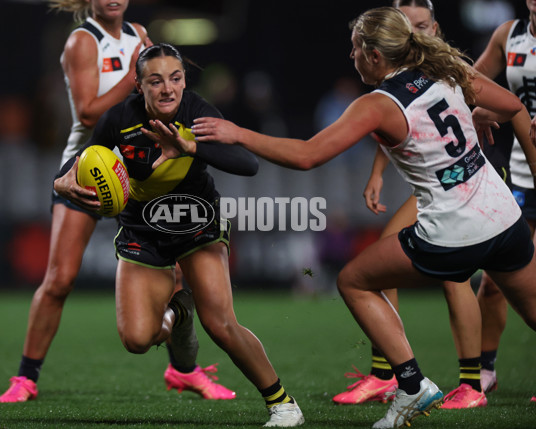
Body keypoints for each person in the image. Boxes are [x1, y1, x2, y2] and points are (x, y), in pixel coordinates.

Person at [188, 7, 536, 427]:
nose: (350, 57)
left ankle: (411, 384)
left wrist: (238, 133)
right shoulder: (448, 69)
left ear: (374, 55)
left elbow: (307, 155)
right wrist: (479, 115)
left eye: (354, 49)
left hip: (454, 233)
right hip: (505, 218)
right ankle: (425, 382)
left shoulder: (378, 103)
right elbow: (514, 105)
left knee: (353, 281)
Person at [53, 43, 304, 427]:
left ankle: (282, 403)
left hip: (196, 220)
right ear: (139, 86)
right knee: (137, 339)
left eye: (175, 78)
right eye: (155, 81)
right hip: (142, 227)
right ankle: (180, 310)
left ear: (185, 81)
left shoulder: (197, 112)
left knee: (220, 324)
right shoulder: (119, 118)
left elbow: (248, 163)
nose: (167, 89)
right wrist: (62, 180)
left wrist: (192, 146)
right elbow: (87, 155)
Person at [0, 0, 234, 403]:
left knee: (175, 276)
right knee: (59, 278)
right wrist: (134, 79)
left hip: (146, 166)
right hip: (93, 168)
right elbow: (89, 114)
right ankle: (26, 378)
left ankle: (184, 370)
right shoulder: (82, 42)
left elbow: (163, 93)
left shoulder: (139, 34)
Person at [333, 0, 536, 410]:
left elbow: (491, 103)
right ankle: (391, 375)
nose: (411, 32)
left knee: (458, 270)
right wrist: (377, 171)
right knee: (398, 258)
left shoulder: (436, 64)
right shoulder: (492, 43)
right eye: (404, 24)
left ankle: (469, 381)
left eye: (420, 24)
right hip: (452, 182)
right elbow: (400, 123)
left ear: (435, 27)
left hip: (472, 182)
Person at [471, 0, 536, 397]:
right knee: (493, 281)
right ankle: (485, 370)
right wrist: (477, 109)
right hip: (521, 173)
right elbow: (471, 82)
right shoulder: (509, 36)